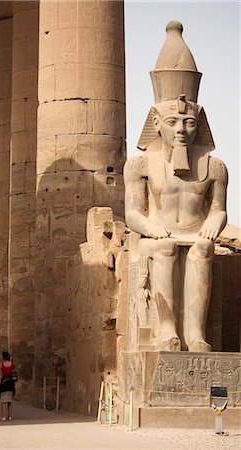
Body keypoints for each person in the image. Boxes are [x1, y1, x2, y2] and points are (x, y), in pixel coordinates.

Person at [124, 21, 228, 353]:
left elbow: (219, 210)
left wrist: (214, 223)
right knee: (166, 248)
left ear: (200, 124)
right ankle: (167, 328)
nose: (182, 130)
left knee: (203, 250)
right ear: (157, 123)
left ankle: (195, 333)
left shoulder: (215, 166)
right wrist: (152, 228)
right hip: (157, 237)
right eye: (173, 122)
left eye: (189, 122)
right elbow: (131, 214)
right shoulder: (141, 164)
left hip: (195, 234)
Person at [0, 351, 16, 421]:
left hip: (4, 382)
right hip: (10, 382)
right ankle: (10, 416)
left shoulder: (1, 364)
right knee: (10, 401)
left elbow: (0, 373)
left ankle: (4, 416)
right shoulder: (12, 363)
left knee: (3, 401)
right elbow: (14, 369)